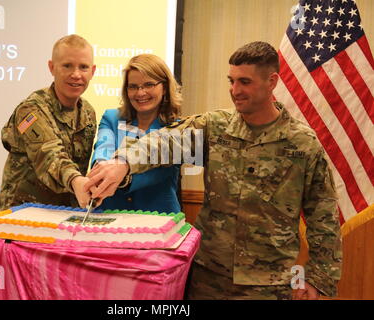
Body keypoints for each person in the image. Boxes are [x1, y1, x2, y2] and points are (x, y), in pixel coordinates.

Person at [84, 41, 342, 300]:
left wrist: (317, 279)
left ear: (272, 81)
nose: (235, 90)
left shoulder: (302, 144)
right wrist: (123, 162)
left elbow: (324, 216)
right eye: (231, 81)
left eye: (245, 82)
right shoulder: (215, 128)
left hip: (271, 284)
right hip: (208, 278)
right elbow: (163, 141)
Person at [0, 34, 97, 211]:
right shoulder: (30, 111)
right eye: (67, 66)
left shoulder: (88, 113)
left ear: (93, 71)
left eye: (83, 67)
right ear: (52, 67)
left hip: (64, 214)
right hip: (22, 215)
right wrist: (76, 181)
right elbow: (50, 156)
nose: (76, 74)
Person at [91, 54, 182, 213]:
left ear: (165, 87)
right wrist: (102, 169)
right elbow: (101, 153)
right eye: (133, 86)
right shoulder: (111, 118)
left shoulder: (178, 128)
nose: (140, 93)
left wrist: (121, 176)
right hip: (109, 216)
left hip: (159, 220)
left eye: (148, 84)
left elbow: (159, 172)